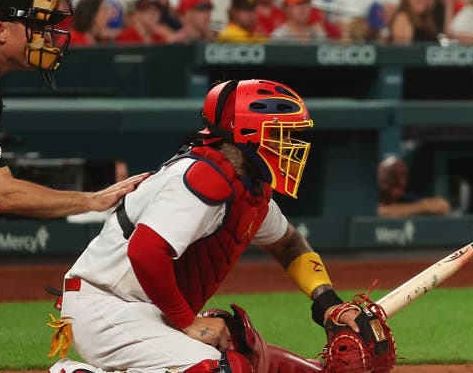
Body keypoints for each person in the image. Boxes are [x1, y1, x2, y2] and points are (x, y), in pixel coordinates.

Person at [48, 79, 359, 372]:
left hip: (145, 310)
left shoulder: (246, 190)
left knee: (240, 350)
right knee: (217, 368)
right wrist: (187, 323)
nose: (288, 143)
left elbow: (288, 243)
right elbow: (145, 252)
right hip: (106, 308)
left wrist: (328, 303)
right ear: (247, 135)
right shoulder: (203, 179)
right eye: (279, 134)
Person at [0, 0, 142, 300]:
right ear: (0, 29)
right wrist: (90, 200)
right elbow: (4, 195)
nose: (46, 37)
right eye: (34, 26)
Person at [376, 156, 452, 217]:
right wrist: (422, 207)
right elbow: (381, 212)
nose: (401, 182)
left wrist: (425, 205)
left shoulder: (405, 197)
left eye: (402, 175)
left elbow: (443, 206)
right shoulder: (374, 198)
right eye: (392, 177)